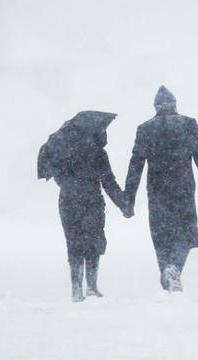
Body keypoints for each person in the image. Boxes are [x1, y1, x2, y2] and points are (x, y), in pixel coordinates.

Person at [122, 86, 198, 292]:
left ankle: (168, 274)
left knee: (161, 236)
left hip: (157, 191)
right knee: (187, 234)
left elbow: (135, 167)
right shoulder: (188, 124)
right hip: (183, 189)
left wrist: (129, 199)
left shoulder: (144, 129)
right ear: (175, 105)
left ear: (156, 108)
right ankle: (174, 269)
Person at [38, 111, 130, 302]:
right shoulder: (97, 153)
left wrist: (69, 184)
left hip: (67, 201)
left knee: (73, 243)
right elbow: (109, 182)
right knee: (94, 243)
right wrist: (123, 203)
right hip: (91, 201)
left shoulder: (61, 150)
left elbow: (56, 175)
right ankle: (92, 286)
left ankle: (76, 288)